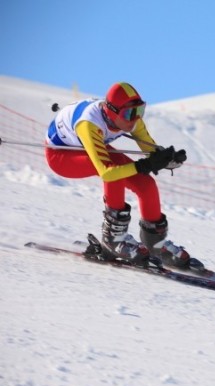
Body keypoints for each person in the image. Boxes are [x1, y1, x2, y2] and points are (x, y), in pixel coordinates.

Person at [45, 82, 192, 268]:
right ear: (111, 111)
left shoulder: (131, 118)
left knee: (146, 183)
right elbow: (107, 172)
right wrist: (144, 165)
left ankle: (155, 244)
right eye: (130, 114)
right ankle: (113, 239)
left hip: (90, 146)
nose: (135, 119)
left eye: (140, 111)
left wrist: (168, 160)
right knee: (114, 171)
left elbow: (150, 151)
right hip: (62, 156)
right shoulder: (89, 124)